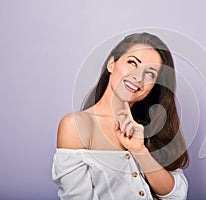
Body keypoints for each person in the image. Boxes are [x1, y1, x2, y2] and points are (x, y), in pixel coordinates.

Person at [52, 32, 189, 200]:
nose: (138, 77)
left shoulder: (153, 127)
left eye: (150, 73)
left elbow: (177, 196)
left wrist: (140, 151)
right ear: (112, 63)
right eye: (132, 62)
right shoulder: (76, 126)